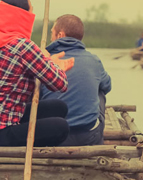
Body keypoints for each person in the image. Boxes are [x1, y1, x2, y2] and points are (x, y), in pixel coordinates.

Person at [0, 0, 75, 147]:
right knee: (61, 127)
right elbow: (60, 84)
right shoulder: (22, 46)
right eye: (30, 11)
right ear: (21, 15)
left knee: (58, 107)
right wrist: (53, 63)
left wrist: (46, 63)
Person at [40, 14, 111, 146]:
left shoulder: (44, 61)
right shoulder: (93, 60)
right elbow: (107, 86)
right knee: (100, 89)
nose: (50, 38)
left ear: (60, 35)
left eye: (52, 33)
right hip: (89, 137)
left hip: (52, 135)